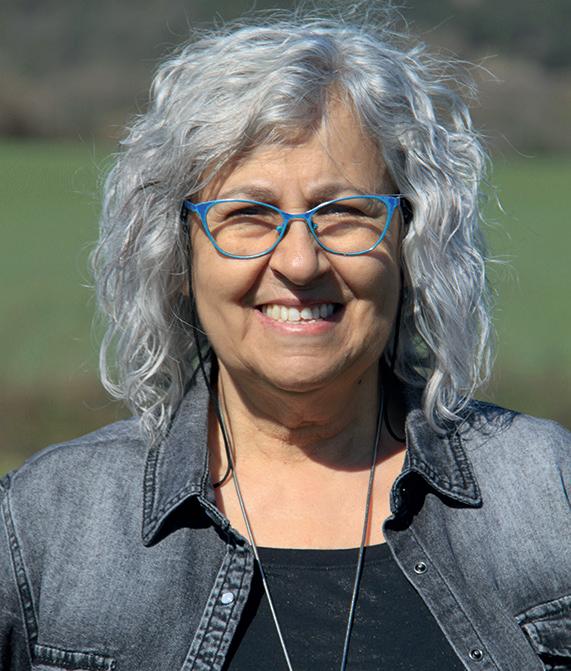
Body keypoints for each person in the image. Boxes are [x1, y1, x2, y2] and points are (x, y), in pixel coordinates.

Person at [1, 7, 569, 671]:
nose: (299, 263)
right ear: (177, 254)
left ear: (411, 244)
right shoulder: (43, 527)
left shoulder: (549, 494)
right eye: (247, 214)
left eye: (345, 212)